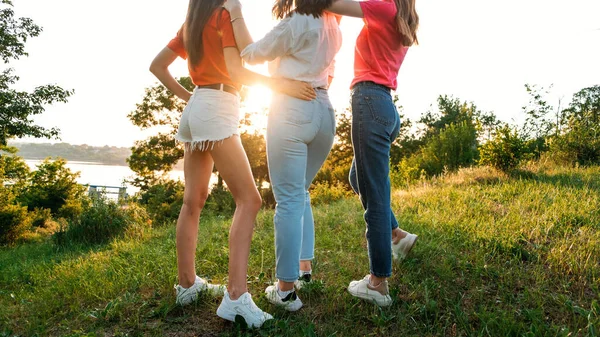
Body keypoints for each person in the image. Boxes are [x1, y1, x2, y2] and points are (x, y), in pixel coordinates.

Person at [149, 0, 316, 327]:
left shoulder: (193, 22)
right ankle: (237, 296)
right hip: (218, 106)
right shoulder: (223, 15)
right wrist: (282, 86)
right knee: (250, 200)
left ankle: (187, 286)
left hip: (199, 105)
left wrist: (190, 99)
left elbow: (158, 66)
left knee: (192, 201)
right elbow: (247, 57)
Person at [223, 0, 342, 311]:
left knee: (289, 198)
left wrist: (235, 13)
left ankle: (286, 291)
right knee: (300, 193)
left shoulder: (297, 21)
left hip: (292, 109)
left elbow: (250, 53)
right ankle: (304, 272)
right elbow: (330, 71)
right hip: (324, 110)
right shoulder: (331, 22)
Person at [327, 0, 420, 307]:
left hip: (369, 101)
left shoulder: (383, 8)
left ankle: (377, 283)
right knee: (358, 178)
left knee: (376, 200)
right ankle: (397, 234)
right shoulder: (404, 16)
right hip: (384, 106)